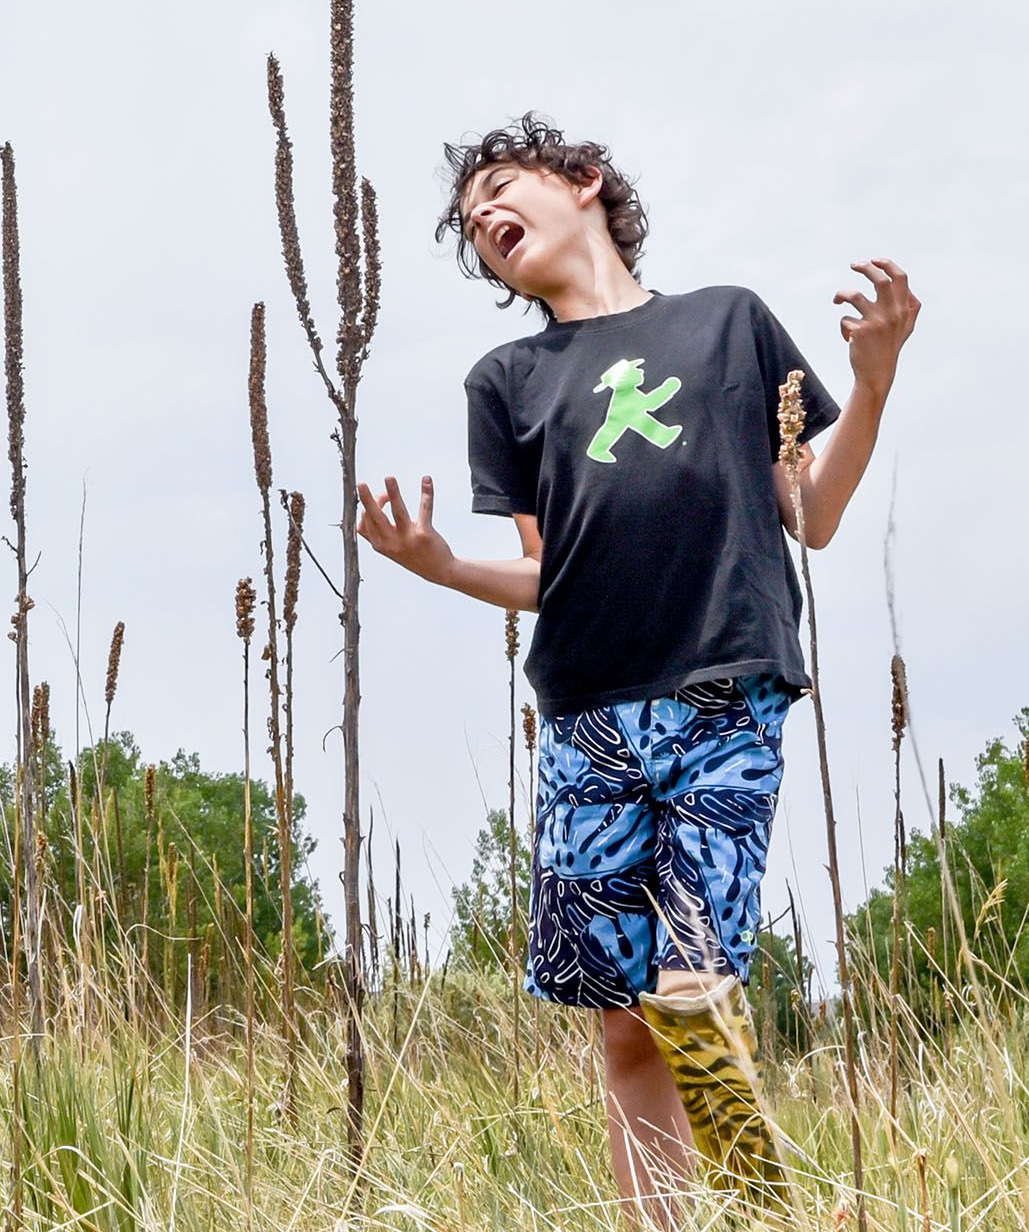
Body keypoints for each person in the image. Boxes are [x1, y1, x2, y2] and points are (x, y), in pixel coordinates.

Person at [352, 114, 920, 1228]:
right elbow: (539, 572)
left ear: (583, 182)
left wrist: (876, 373)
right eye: (471, 225)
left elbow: (812, 512)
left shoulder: (727, 325)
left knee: (692, 987)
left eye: (499, 190)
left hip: (723, 681)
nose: (484, 220)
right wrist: (436, 564)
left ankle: (760, 1209)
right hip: (585, 717)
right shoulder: (506, 378)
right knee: (620, 1018)